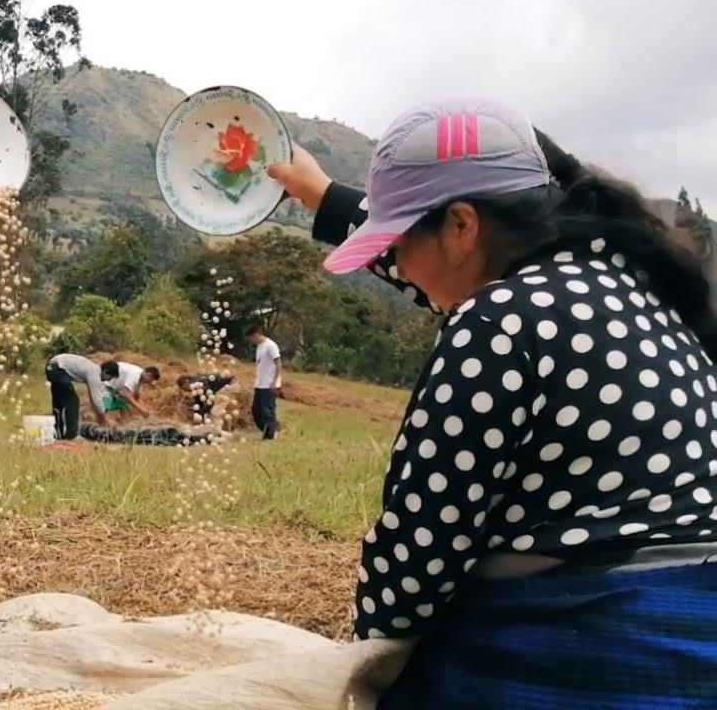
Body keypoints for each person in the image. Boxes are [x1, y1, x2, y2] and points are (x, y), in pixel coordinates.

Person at [268, 98, 717, 708]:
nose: (393, 263)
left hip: (601, 648)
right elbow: (433, 270)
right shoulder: (633, 292)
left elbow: (421, 549)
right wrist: (321, 194)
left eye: (394, 242)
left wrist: (366, 661)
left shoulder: (498, 321)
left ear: (461, 225)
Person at [45, 354, 118, 440]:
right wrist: (103, 418)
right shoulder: (94, 373)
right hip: (58, 368)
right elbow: (96, 399)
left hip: (52, 367)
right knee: (72, 402)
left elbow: (94, 397)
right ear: (105, 371)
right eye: (109, 378)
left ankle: (59, 434)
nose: (107, 381)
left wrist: (100, 415)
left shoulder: (91, 368)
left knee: (59, 403)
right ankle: (71, 436)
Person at [246, 326, 281, 439]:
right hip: (260, 384)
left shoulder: (271, 346)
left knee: (268, 411)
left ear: (256, 335)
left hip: (269, 385)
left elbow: (278, 363)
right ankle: (269, 430)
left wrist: (274, 382)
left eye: (251, 339)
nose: (251, 342)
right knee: (256, 411)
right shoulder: (260, 347)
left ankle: (270, 436)